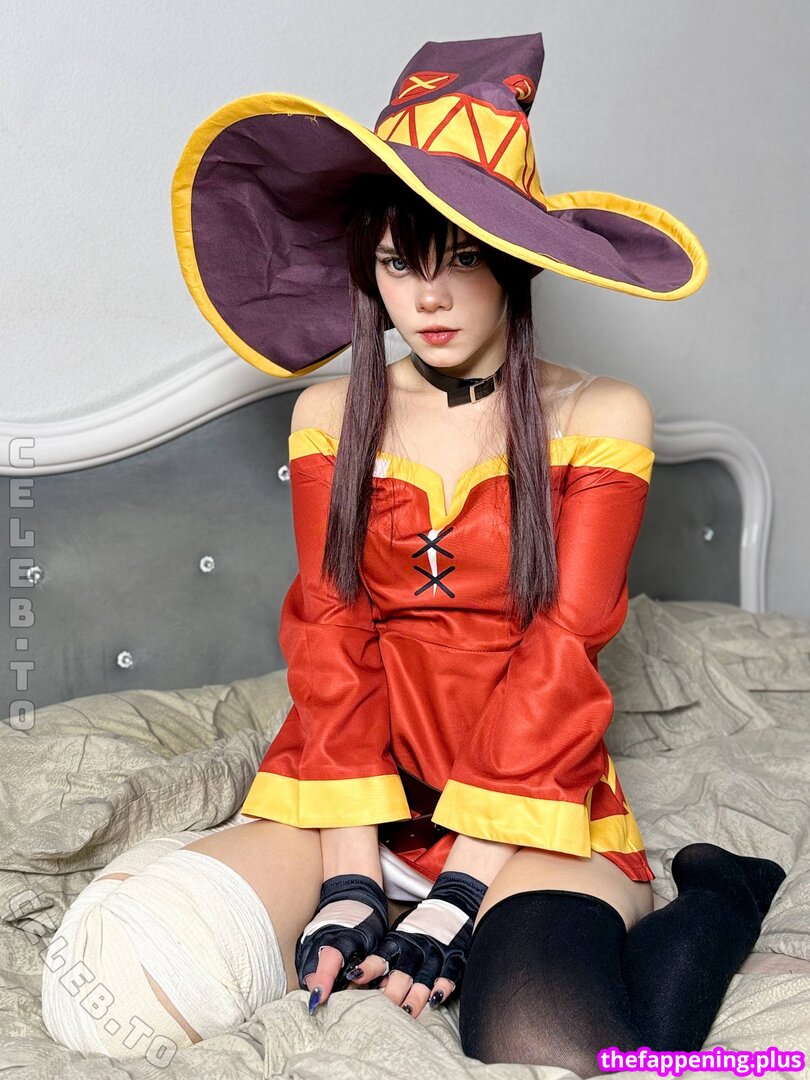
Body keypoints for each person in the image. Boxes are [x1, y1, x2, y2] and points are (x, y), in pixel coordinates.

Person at [41, 33, 786, 1075]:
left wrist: (459, 892)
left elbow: (563, 649)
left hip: (525, 804)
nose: (427, 300)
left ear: (514, 261)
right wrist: (353, 878)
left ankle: (722, 893)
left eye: (461, 260)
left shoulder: (601, 414)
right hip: (354, 794)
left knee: (552, 1048)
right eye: (400, 263)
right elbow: (331, 632)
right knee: (123, 983)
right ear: (370, 268)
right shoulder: (329, 413)